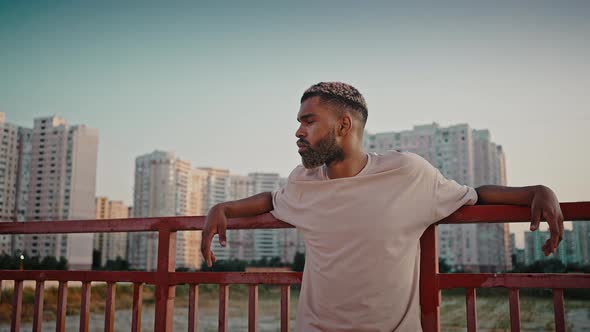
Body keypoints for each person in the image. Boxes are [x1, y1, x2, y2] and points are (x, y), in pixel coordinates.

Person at [201, 82, 564, 331]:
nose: (298, 132)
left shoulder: (407, 173)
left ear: (343, 125)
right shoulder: (302, 182)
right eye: (299, 123)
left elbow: (474, 195)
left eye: (309, 121)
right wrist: (225, 208)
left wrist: (536, 191)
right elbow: (270, 200)